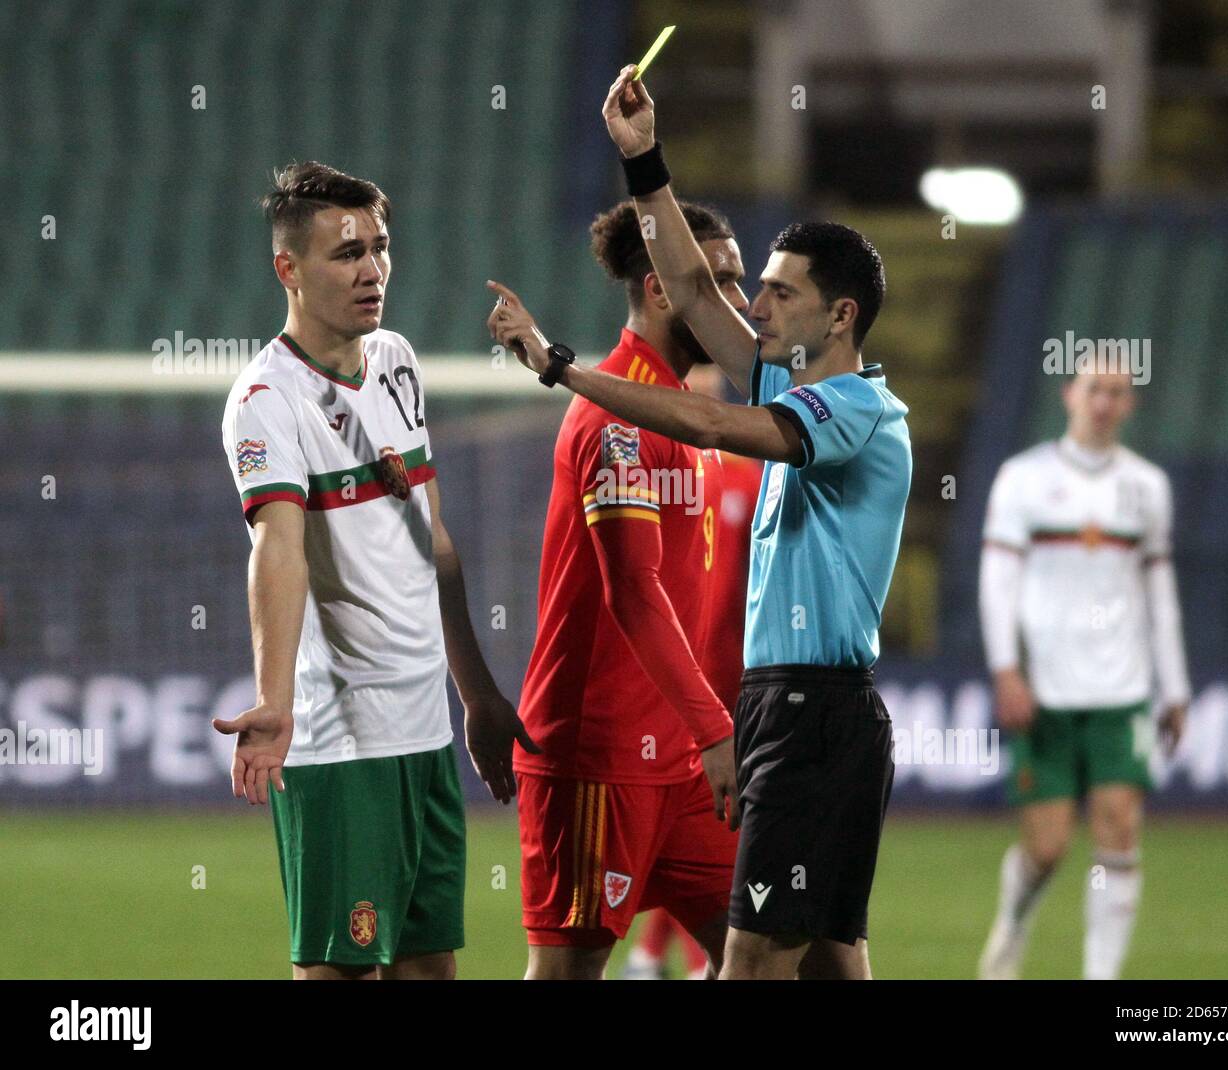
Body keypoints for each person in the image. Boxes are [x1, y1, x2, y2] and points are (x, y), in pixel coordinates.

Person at [488, 65, 912, 979]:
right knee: (829, 963)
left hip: (810, 713)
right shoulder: (789, 383)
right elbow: (685, 284)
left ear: (839, 316)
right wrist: (645, 160)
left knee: (756, 960)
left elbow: (715, 422)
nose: (750, 307)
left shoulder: (851, 412)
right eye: (749, 288)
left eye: (775, 294)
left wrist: (559, 368)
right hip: (757, 712)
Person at [216, 161, 530, 980]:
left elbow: (432, 539)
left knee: (430, 971)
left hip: (423, 733)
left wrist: (478, 692)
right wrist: (275, 702)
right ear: (288, 269)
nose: (372, 269)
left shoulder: (394, 359)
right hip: (337, 741)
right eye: (346, 252)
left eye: (380, 247)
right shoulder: (265, 399)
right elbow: (277, 549)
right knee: (341, 974)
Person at [511, 199, 749, 980]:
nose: (738, 307)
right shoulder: (613, 420)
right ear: (658, 290)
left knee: (772, 952)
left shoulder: (688, 417)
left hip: (679, 756)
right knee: (568, 975)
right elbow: (634, 592)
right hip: (600, 752)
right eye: (719, 285)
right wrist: (717, 729)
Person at [977, 368, 1190, 980]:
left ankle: (1102, 978)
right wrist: (1005, 669)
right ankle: (1013, 924)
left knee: (1119, 829)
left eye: (1117, 392)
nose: (1104, 402)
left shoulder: (1146, 487)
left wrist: (1174, 688)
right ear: (1070, 394)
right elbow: (998, 582)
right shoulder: (1025, 478)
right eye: (1094, 389)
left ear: (1130, 404)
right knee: (1046, 848)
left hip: (1122, 691)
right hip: (1046, 688)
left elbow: (1160, 592)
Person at [624, 365, 764, 982]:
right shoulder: (650, 474)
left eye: (708, 398)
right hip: (677, 682)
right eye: (687, 396)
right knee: (683, 822)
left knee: (714, 825)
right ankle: (664, 956)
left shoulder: (748, 477)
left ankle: (654, 957)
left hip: (736, 679)